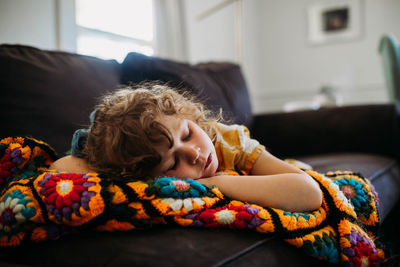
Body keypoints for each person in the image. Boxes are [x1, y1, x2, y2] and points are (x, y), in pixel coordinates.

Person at [50, 82, 322, 212]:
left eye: (188, 133)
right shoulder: (135, 165)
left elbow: (309, 193)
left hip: (276, 165)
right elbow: (58, 169)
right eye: (172, 164)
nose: (194, 153)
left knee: (302, 167)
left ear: (188, 116)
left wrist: (217, 183)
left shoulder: (228, 142)